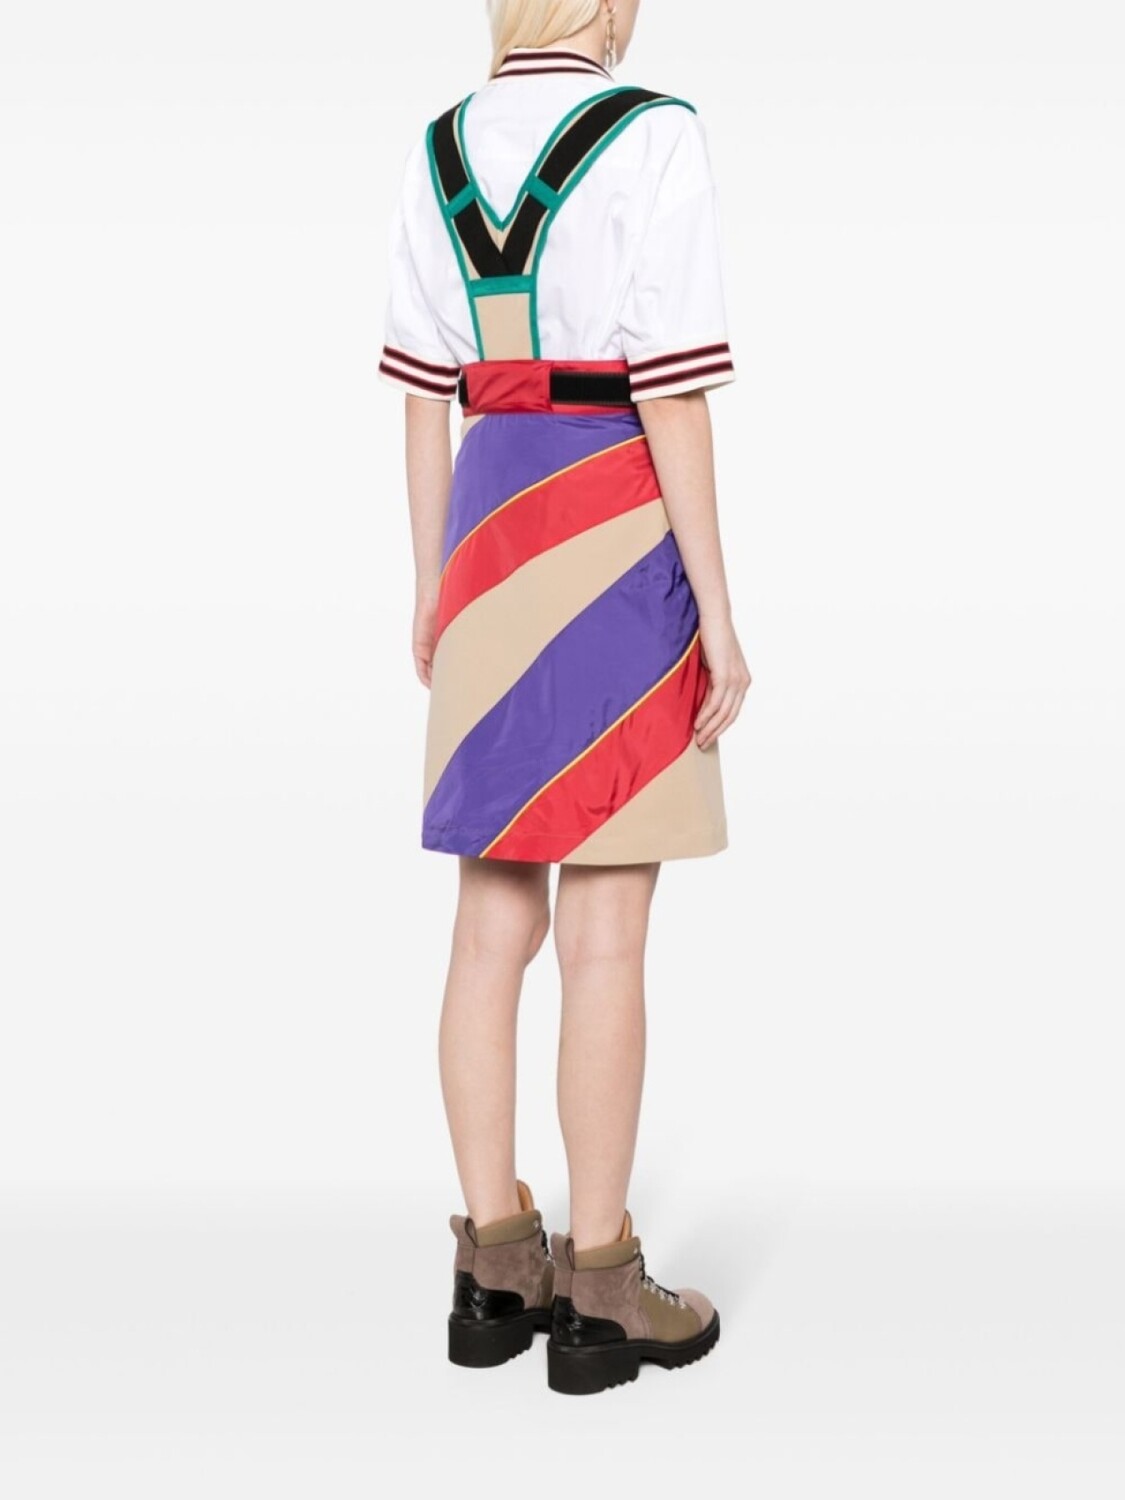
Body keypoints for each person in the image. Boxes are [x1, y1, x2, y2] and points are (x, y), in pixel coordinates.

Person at [378, 0, 751, 1396]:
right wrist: (718, 613)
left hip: (487, 529)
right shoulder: (653, 134)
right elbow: (675, 392)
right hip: (613, 525)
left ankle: (492, 1268)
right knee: (605, 936)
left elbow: (420, 394)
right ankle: (601, 1289)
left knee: (488, 926)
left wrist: (435, 585)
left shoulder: (437, 146)